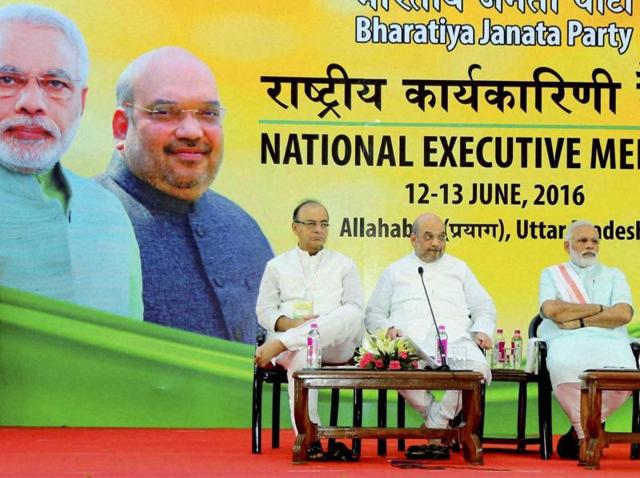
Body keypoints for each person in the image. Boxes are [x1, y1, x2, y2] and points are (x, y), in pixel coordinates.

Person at [97, 47, 272, 343]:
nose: (192, 131)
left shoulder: (243, 229)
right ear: (121, 126)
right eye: (165, 112)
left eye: (208, 114)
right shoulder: (79, 222)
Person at [0, 4, 142, 318]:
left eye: (55, 84)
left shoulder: (108, 214)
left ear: (81, 102)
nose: (32, 103)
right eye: (7, 80)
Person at [365, 213, 495, 458]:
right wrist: (388, 330)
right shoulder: (395, 271)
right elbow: (373, 314)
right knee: (392, 364)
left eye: (441, 237)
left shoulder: (459, 269)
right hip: (410, 344)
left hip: (455, 341)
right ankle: (439, 422)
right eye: (429, 237)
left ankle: (437, 424)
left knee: (478, 372)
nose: (436, 243)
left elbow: (483, 306)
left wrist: (482, 329)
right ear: (413, 239)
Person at [254, 200, 364, 459]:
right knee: (304, 353)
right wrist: (292, 326)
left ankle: (285, 342)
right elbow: (264, 311)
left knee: (352, 313)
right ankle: (310, 438)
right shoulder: (276, 266)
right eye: (311, 224)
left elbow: (355, 310)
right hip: (296, 347)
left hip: (334, 345)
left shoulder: (344, 264)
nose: (319, 230)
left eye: (324, 224)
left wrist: (298, 334)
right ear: (295, 227)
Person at [539, 220, 636, 459]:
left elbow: (623, 314)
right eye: (582, 240)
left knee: (624, 375)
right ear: (567, 246)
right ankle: (588, 436)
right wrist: (601, 309)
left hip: (610, 341)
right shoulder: (552, 274)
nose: (589, 245)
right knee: (563, 364)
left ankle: (582, 432)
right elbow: (551, 310)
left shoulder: (614, 275)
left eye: (594, 241)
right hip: (566, 340)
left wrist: (579, 320)